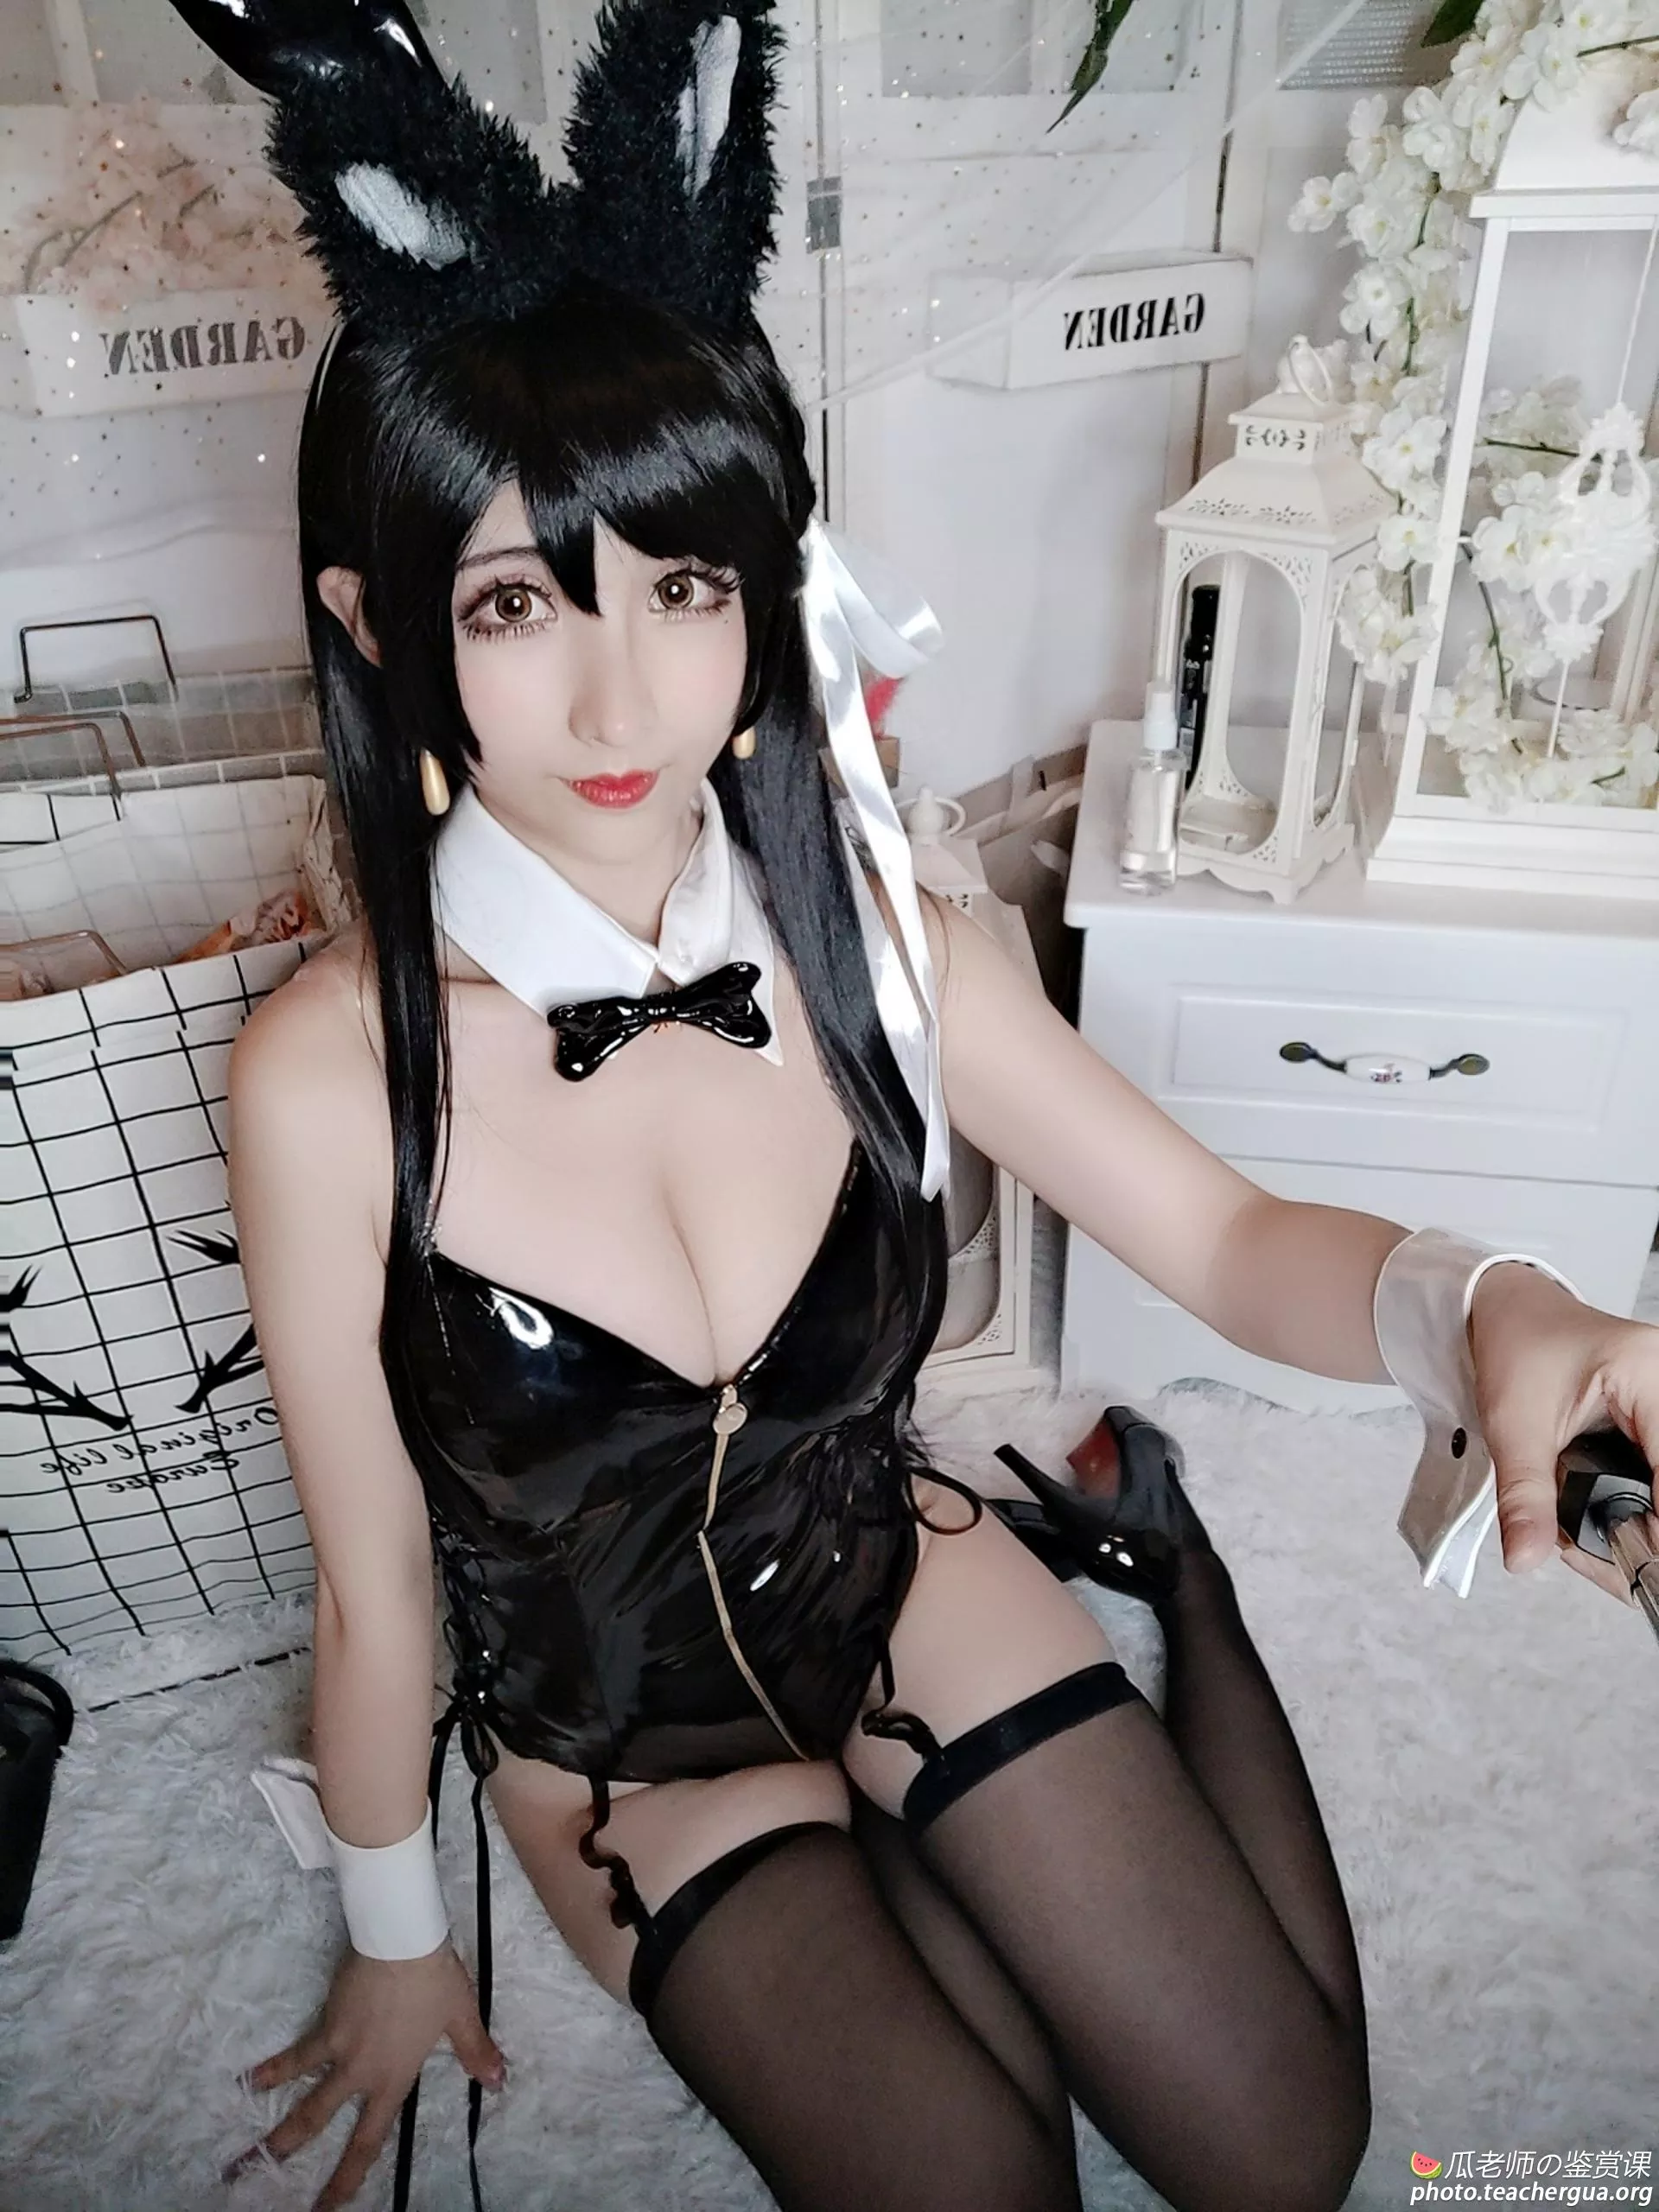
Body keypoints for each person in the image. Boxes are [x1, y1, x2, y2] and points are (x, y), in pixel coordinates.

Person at [196, 5, 1659, 2210]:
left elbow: (1225, 1234)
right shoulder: (329, 1075)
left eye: (687, 583)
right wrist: (401, 1937)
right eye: (513, 601)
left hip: (896, 1577)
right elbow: (372, 1568)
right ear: (380, 621)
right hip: (621, 1753)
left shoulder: (881, 937)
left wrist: (1493, 1299)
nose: (623, 690)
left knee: (1287, 2156)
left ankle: (1178, 1568)